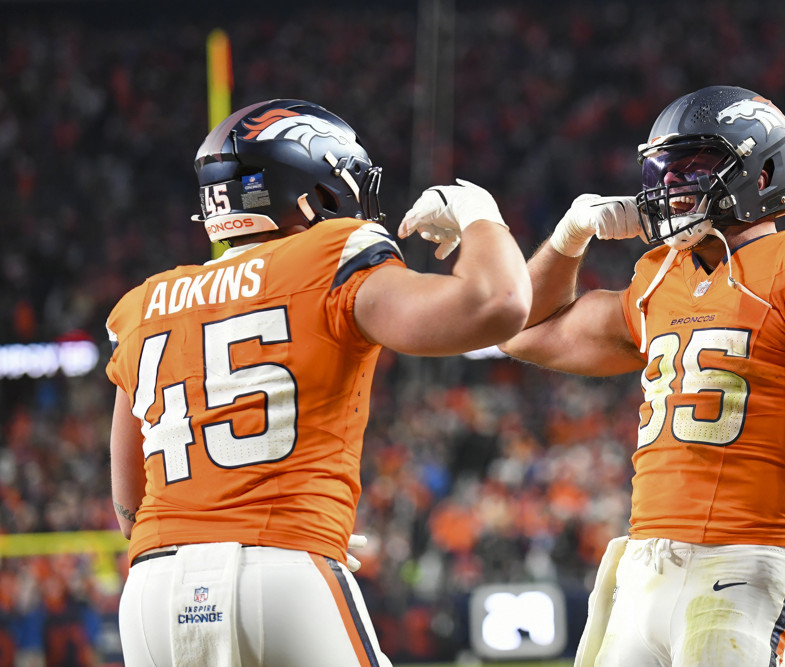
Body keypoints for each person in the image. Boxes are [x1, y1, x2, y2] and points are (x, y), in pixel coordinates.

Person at [105, 98, 531, 666]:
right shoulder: (330, 253)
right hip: (282, 569)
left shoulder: (142, 304)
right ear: (318, 188)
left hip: (150, 591)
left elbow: (129, 502)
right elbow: (498, 303)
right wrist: (481, 216)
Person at [498, 85, 785, 665]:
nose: (670, 184)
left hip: (745, 565)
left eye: (693, 166)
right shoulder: (656, 279)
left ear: (763, 173)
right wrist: (571, 237)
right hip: (641, 567)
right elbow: (517, 328)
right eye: (664, 169)